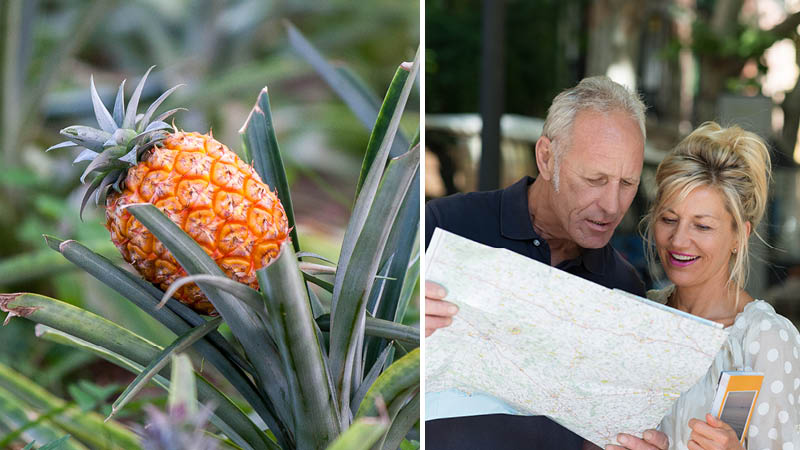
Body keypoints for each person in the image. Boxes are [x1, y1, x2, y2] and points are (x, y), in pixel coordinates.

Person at [425, 76, 668, 450]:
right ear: (546, 158)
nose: (612, 205)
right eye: (595, 179)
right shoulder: (443, 227)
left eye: (627, 183)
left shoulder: (625, 288)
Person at [633, 122, 800, 449]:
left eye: (702, 226)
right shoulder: (642, 315)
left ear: (740, 235)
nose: (679, 240)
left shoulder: (766, 340)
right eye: (669, 219)